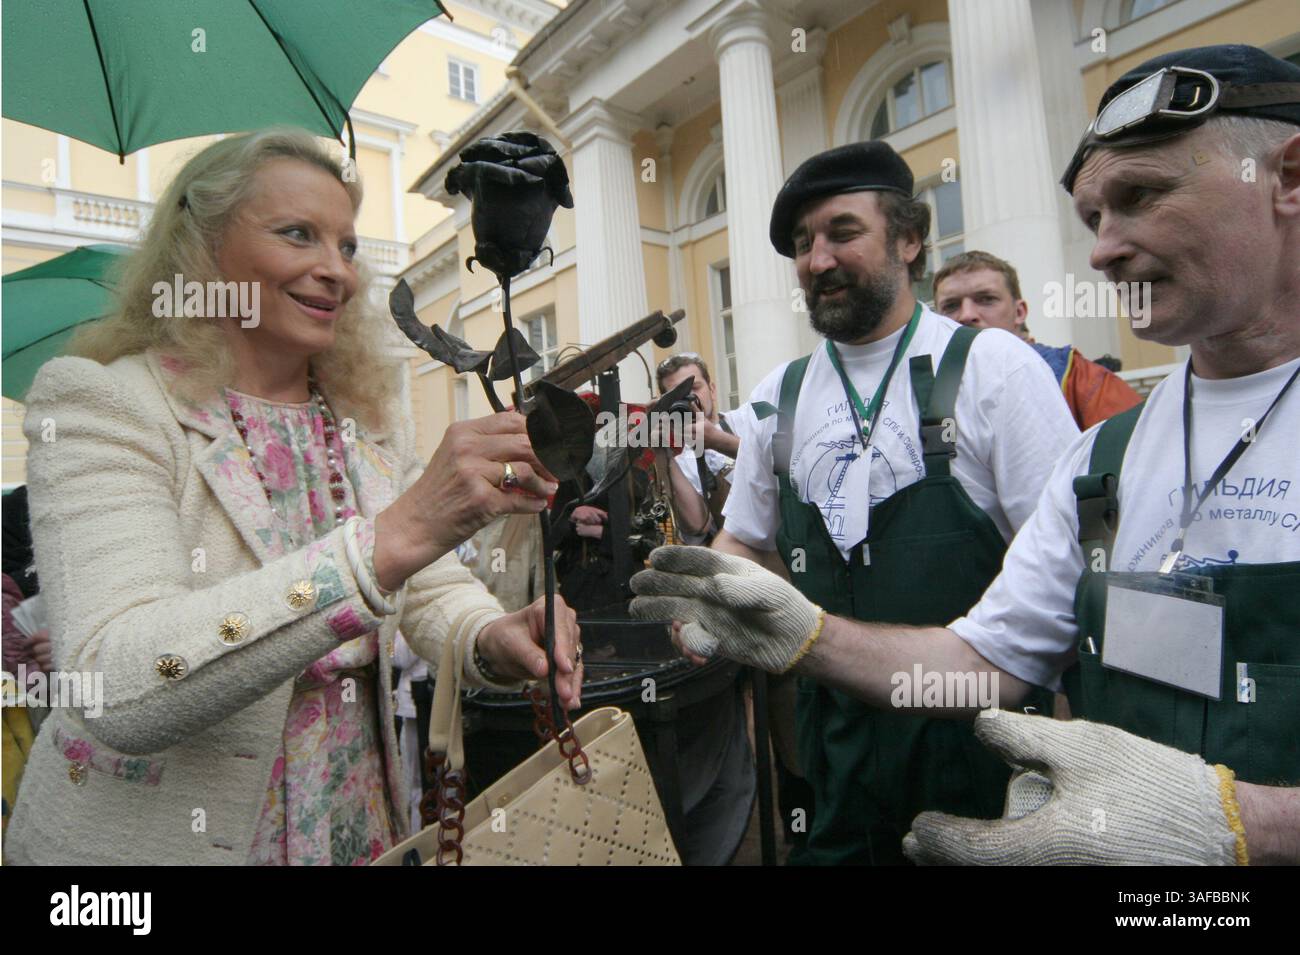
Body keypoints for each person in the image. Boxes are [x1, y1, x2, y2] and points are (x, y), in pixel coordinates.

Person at [633, 44, 1300, 865]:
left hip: (977, 771)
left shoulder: (995, 372)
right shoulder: (1108, 458)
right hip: (857, 775)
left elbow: (1033, 683)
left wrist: (1247, 824)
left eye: (1143, 196)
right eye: (1095, 217)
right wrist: (804, 636)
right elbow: (993, 659)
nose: (1101, 250)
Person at [5, 128, 583, 866]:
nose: (333, 270)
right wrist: (388, 536)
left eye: (345, 245)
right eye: (297, 234)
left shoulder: (363, 415)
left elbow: (429, 585)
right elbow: (118, 681)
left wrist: (490, 637)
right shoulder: (104, 403)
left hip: (354, 816)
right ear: (202, 248)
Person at [672, 140, 1078, 865]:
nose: (816, 259)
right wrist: (708, 597)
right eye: (802, 243)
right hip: (836, 772)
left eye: (841, 232)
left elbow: (1072, 587)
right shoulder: (781, 397)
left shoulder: (994, 369)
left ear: (910, 238)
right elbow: (747, 541)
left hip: (989, 767)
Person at [933, 250, 1141, 430]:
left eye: (986, 299)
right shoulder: (921, 390)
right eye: (951, 306)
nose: (966, 315)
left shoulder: (1079, 380)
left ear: (1019, 312)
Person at [655, 353, 755, 545]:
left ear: (712, 389)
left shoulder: (746, 421)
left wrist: (717, 440)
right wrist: (662, 451)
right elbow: (697, 525)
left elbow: (780, 463)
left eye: (694, 388)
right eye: (677, 396)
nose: (690, 399)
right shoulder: (680, 460)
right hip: (736, 560)